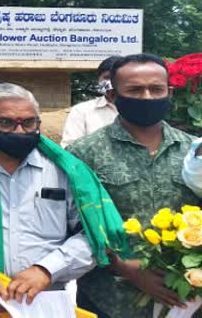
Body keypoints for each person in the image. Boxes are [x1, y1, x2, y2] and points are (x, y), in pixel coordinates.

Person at [0, 83, 127, 313]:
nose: (19, 131)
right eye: (6, 123)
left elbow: (92, 233)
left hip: (45, 302)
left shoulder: (67, 171)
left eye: (29, 123)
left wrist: (46, 270)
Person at [69, 54, 198, 318]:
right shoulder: (83, 153)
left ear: (169, 93)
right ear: (114, 97)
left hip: (185, 301)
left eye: (156, 89)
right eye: (135, 90)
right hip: (108, 300)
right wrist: (124, 266)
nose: (148, 97)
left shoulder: (193, 152)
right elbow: (70, 224)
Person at [60, 56, 120, 147]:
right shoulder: (81, 111)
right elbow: (70, 147)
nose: (111, 83)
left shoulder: (142, 110)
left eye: (117, 77)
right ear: (98, 79)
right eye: (107, 78)